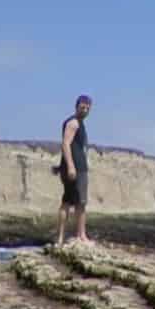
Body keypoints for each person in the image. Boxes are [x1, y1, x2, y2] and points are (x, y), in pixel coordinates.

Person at [56, 95, 92, 244]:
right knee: (80, 203)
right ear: (76, 106)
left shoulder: (79, 123)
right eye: (82, 107)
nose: (85, 110)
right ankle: (81, 236)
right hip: (75, 168)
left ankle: (60, 239)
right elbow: (65, 144)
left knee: (68, 201)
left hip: (74, 167)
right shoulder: (74, 123)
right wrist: (71, 166)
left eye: (87, 108)